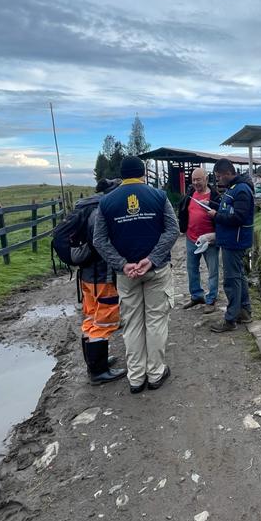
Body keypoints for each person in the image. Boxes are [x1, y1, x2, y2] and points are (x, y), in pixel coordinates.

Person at [92, 156, 179, 393]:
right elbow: (173, 229)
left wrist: (122, 264)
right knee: (156, 321)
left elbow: (99, 240)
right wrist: (151, 259)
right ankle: (155, 373)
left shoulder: (107, 202)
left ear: (121, 175)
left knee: (131, 324)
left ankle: (136, 378)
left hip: (126, 274)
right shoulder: (159, 197)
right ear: (143, 173)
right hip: (156, 270)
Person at [73, 178, 127, 385]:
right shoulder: (101, 211)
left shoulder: (87, 207)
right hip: (101, 276)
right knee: (104, 320)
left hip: (86, 275)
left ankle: (94, 362)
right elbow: (102, 244)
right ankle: (98, 371)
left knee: (90, 316)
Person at [208, 159, 255, 333]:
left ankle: (231, 319)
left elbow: (238, 218)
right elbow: (230, 210)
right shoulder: (234, 189)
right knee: (239, 276)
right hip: (231, 240)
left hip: (235, 241)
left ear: (228, 173)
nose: (218, 180)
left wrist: (215, 216)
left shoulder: (241, 190)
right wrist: (214, 207)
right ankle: (244, 311)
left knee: (232, 279)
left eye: (219, 177)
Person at [177, 167, 220, 314]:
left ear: (206, 179)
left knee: (213, 270)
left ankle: (211, 299)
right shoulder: (190, 194)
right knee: (192, 269)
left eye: (199, 179)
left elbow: (221, 214)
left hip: (209, 240)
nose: (196, 182)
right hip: (191, 238)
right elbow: (183, 210)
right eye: (193, 180)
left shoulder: (215, 196)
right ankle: (196, 295)